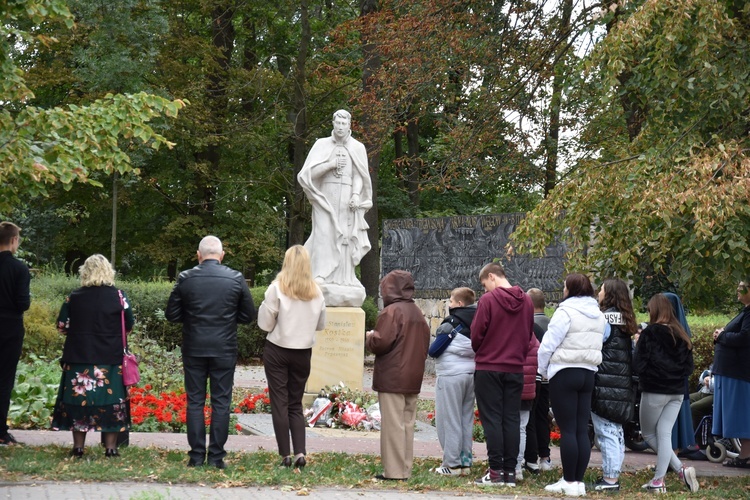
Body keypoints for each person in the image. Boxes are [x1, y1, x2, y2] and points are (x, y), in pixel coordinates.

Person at [166, 236, 256, 469]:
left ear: (199, 255)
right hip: (224, 348)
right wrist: (226, 320)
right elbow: (248, 316)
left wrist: (193, 318)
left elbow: (172, 314)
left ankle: (196, 456)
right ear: (222, 255)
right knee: (221, 402)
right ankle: (216, 457)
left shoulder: (186, 278)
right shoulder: (235, 278)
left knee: (195, 401)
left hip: (194, 346)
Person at [50, 254, 133, 457]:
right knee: (111, 402)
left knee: (79, 400)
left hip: (79, 356)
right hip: (110, 358)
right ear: (108, 272)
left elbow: (62, 325)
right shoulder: (119, 296)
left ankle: (78, 448)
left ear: (84, 272)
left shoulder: (74, 297)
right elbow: (129, 324)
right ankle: (111, 449)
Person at [257, 245, 326, 469]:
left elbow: (265, 324)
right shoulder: (316, 291)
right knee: (295, 403)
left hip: (278, 348)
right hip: (303, 352)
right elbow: (321, 325)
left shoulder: (276, 289)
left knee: (280, 402)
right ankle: (300, 453)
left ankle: (284, 455)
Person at [297, 109, 373, 307]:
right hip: (325, 198)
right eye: (337, 123)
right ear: (333, 124)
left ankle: (344, 278)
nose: (340, 127)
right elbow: (308, 174)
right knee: (323, 234)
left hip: (348, 199)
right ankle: (321, 274)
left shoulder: (358, 147)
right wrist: (330, 164)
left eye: (343, 124)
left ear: (349, 125)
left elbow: (360, 176)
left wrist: (356, 195)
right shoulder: (321, 144)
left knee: (346, 237)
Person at [538, 273, 604, 497]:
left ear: (571, 289)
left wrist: (543, 370)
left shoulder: (565, 312)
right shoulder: (598, 314)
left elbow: (548, 344)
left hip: (565, 372)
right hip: (588, 373)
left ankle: (568, 480)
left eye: (565, 286)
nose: (563, 289)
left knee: (567, 430)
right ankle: (578, 482)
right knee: (580, 429)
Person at [470, 262, 534, 487]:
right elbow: (528, 335)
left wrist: (485, 350)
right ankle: (509, 472)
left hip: (489, 367)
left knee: (492, 420)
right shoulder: (526, 300)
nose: (486, 289)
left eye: (485, 284)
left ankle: (495, 471)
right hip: (515, 368)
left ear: (491, 276)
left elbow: (476, 334)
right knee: (511, 419)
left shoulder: (488, 301)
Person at [366, 270, 430, 481]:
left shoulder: (391, 312)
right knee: (407, 424)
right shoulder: (418, 313)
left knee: (393, 425)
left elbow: (381, 342)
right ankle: (405, 469)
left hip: (393, 376)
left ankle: (393, 472)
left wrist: (369, 337)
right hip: (413, 376)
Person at [634, 293, 699, 493]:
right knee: (664, 433)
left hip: (654, 390)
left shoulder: (650, 333)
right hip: (677, 392)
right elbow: (689, 367)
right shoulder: (681, 334)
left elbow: (638, 365)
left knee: (649, 433)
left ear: (654, 311)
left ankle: (668, 475)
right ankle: (668, 476)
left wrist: (637, 346)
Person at [591, 278, 638, 491]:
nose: (598, 293)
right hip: (620, 384)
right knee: (615, 431)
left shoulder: (604, 320)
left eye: (601, 290)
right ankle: (613, 475)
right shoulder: (625, 320)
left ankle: (610, 480)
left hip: (605, 384)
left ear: (608, 294)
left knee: (606, 431)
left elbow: (594, 346)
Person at [428, 287, 477, 476]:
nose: (448, 304)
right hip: (470, 375)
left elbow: (434, 350)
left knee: (449, 419)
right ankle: (465, 462)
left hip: (450, 375)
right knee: (466, 418)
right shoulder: (479, 321)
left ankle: (452, 463)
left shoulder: (452, 322)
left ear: (459, 304)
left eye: (450, 300)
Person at [712, 278, 750, 467]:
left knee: (741, 415)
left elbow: (745, 338)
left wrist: (722, 335)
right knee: (738, 415)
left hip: (739, 373)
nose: (737, 290)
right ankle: (744, 456)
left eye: (741, 288)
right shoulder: (746, 312)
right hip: (732, 373)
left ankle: (745, 456)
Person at [0, 222, 30, 447]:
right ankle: (1, 431)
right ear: (13, 240)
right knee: (4, 378)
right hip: (9, 327)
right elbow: (23, 303)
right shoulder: (19, 268)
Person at [663, 292, 699, 458]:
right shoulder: (683, 332)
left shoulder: (669, 333)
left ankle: (671, 457)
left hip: (669, 385)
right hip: (679, 384)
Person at [523, 287, 553, 474]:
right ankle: (545, 456)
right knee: (544, 418)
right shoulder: (551, 323)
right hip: (549, 378)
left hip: (534, 377)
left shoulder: (530, 325)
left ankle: (530, 458)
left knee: (531, 419)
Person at [515, 332, 539, 481]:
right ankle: (518, 467)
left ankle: (511, 465)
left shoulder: (512, 336)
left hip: (512, 386)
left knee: (509, 426)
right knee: (522, 428)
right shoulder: (534, 339)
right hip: (529, 388)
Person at [689, 364, 713, 434]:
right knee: (684, 400)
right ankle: (685, 436)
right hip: (704, 391)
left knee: (694, 407)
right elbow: (703, 377)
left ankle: (699, 440)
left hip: (718, 395)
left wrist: (711, 381)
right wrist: (706, 377)